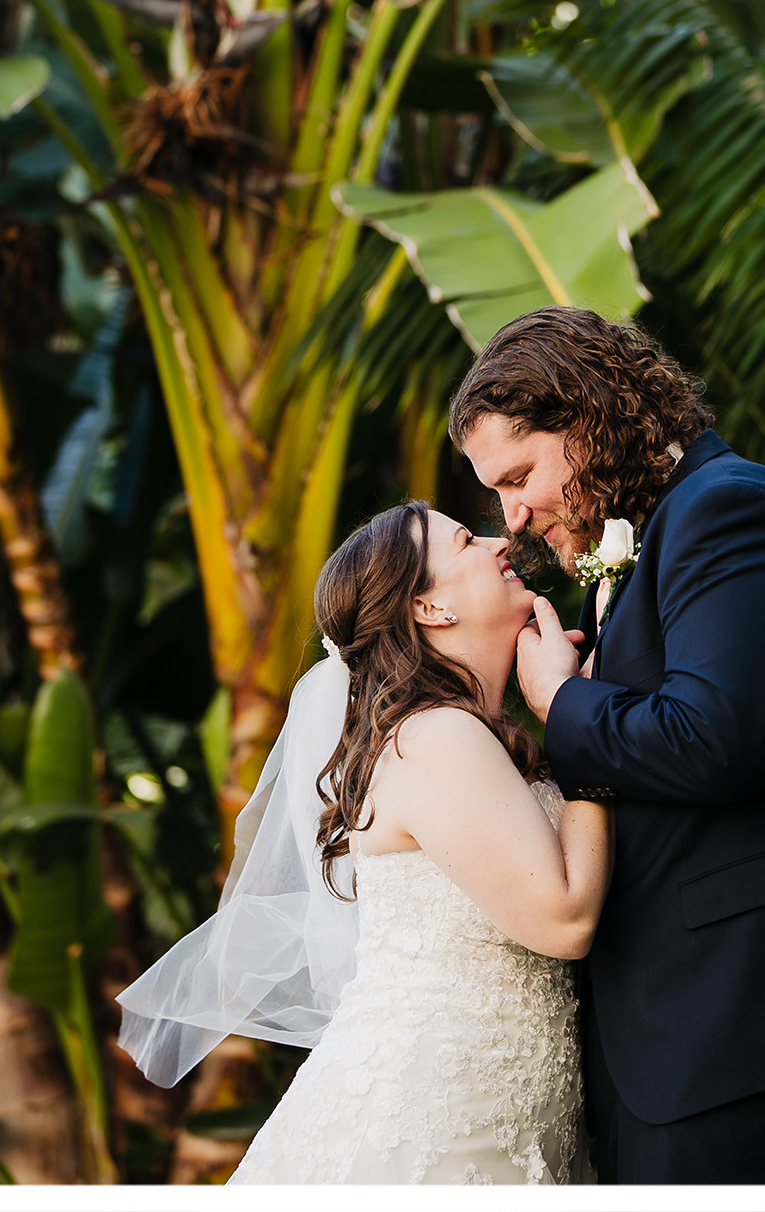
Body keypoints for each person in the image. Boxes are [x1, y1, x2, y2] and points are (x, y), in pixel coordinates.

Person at [452, 305, 765, 1185]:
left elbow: (713, 740)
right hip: (684, 1034)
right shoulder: (650, 539)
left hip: (760, 1016)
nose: (514, 517)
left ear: (588, 415)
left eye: (520, 476)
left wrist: (562, 701)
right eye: (497, 493)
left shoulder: (733, 511)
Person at [117, 499, 609, 1183]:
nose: (503, 542)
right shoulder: (432, 737)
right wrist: (581, 722)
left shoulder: (459, 737)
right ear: (429, 609)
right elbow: (565, 918)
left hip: (499, 1108)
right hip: (433, 1119)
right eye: (469, 541)